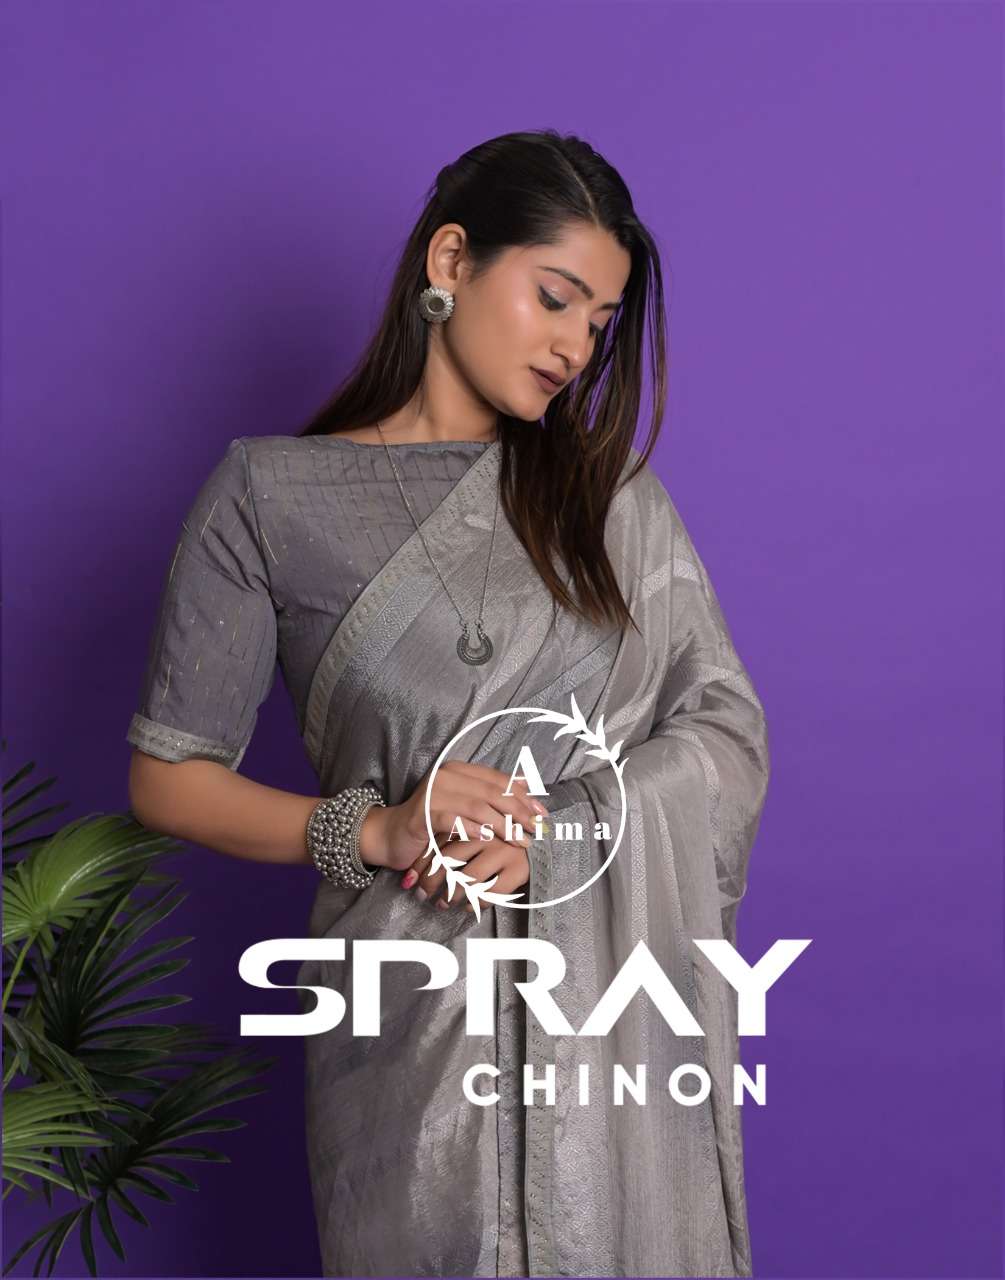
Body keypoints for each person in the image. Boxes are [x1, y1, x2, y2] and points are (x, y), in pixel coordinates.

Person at [126, 128, 770, 1279]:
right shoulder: (270, 496)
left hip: (610, 1044)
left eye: (600, 323)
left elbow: (724, 731)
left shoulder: (612, 503)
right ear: (453, 260)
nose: (575, 346)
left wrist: (563, 829)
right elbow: (168, 777)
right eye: (556, 297)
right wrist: (373, 827)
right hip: (409, 1036)